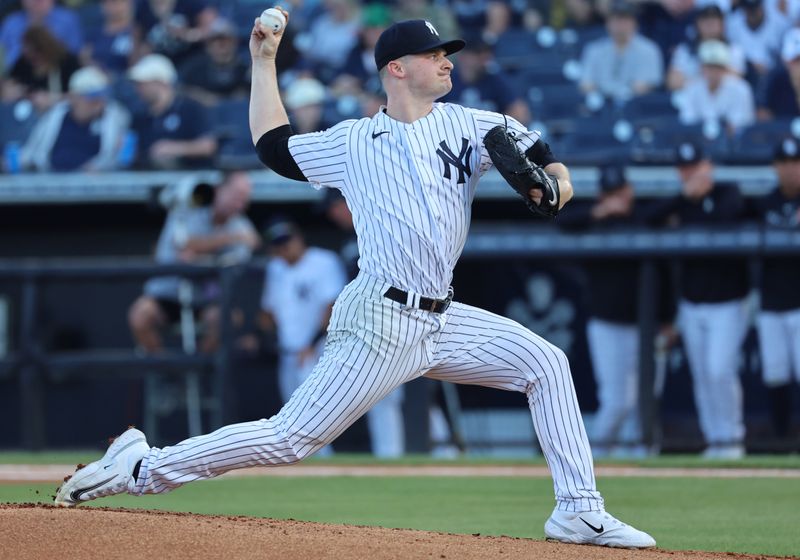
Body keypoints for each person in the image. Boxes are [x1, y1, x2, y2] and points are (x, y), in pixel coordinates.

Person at [55, 15, 656, 550]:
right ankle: (143, 467)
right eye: (434, 54)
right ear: (397, 68)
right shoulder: (353, 141)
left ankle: (579, 513)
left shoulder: (475, 125)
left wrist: (555, 186)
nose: (448, 60)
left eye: (449, 52)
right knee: (291, 438)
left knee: (546, 364)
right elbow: (273, 147)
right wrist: (263, 62)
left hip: (442, 318)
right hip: (380, 319)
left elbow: (548, 160)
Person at [645, 140, 750, 459]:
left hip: (729, 302)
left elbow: (733, 216)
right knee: (703, 374)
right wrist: (683, 197)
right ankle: (714, 439)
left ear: (708, 166)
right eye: (684, 169)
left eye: (695, 167)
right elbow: (647, 219)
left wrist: (700, 194)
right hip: (692, 304)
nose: (690, 175)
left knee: (720, 370)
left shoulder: (728, 193)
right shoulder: (682, 201)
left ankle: (732, 439)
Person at [557, 165, 670, 457]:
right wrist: (599, 212)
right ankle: (593, 463)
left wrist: (668, 320)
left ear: (629, 191)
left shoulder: (644, 218)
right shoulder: (593, 219)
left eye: (619, 193)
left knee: (646, 403)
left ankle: (645, 464)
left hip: (647, 326)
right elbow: (562, 219)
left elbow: (667, 269)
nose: (616, 199)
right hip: (607, 325)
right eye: (610, 194)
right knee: (617, 402)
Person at [128, 171, 259, 354]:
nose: (240, 204)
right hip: (167, 293)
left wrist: (199, 256)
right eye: (236, 196)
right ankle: (166, 372)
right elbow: (183, 244)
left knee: (228, 317)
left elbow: (234, 262)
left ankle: (198, 369)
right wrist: (230, 239)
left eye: (244, 199)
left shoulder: (242, 226)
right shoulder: (193, 205)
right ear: (220, 190)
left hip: (205, 299)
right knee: (140, 315)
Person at [320, 190, 408, 457]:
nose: (332, 215)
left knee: (387, 395)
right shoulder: (351, 237)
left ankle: (392, 459)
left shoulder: (380, 223)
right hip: (361, 321)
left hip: (394, 314)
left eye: (335, 207)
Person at [753, 137, 800, 444]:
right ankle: (782, 443)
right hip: (771, 302)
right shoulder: (764, 202)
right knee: (776, 374)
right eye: (783, 163)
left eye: (794, 162)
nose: (789, 169)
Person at [19, 66, 131, 171]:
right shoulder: (56, 115)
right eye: (92, 100)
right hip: (52, 181)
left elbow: (119, 157)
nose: (98, 105)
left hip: (95, 186)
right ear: (74, 98)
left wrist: (99, 167)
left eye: (100, 100)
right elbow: (32, 152)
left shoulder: (115, 117)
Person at [128, 53, 217, 169]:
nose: (138, 89)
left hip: (190, 178)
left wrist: (175, 148)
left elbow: (209, 146)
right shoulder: (140, 116)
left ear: (162, 82)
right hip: (149, 180)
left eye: (143, 84)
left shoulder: (190, 109)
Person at [579, 0, 663, 104]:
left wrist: (607, 90)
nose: (620, 25)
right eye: (616, 19)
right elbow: (586, 85)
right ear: (608, 23)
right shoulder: (594, 50)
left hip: (636, 109)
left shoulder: (649, 50)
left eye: (625, 19)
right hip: (601, 108)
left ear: (635, 23)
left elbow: (643, 87)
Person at [441, 38, 531, 124]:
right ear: (462, 57)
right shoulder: (446, 78)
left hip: (485, 136)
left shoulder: (495, 79)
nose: (484, 58)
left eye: (486, 53)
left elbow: (520, 114)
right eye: (477, 53)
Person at [675, 39, 755, 134]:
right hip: (698, 143)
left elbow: (742, 124)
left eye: (718, 67)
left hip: (734, 145)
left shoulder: (741, 89)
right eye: (709, 66)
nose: (713, 72)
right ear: (702, 68)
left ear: (725, 69)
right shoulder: (691, 87)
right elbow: (687, 121)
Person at [2, 25, 81, 113]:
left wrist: (53, 99)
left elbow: (80, 96)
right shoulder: (23, 63)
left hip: (60, 112)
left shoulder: (67, 62)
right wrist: (14, 92)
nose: (34, 59)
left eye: (37, 54)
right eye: (30, 56)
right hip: (27, 114)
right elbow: (11, 85)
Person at [667, 4, 746, 91]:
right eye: (705, 21)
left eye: (714, 20)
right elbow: (673, 83)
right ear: (697, 24)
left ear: (723, 25)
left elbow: (736, 79)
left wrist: (696, 78)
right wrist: (714, 75)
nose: (709, 25)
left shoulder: (733, 50)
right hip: (691, 101)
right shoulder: (685, 50)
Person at [0, 0, 83, 68]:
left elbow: (75, 54)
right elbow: (4, 59)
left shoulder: (68, 20)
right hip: (19, 78)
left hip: (58, 75)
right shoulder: (11, 23)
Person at [82, 0, 139, 76]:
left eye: (116, 2)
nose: (112, 7)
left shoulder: (136, 32)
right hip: (97, 77)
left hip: (128, 78)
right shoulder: (94, 33)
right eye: (108, 2)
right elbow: (85, 57)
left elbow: (137, 63)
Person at [756, 28, 800, 121]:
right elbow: (762, 112)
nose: (798, 66)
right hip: (782, 133)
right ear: (785, 61)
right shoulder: (775, 79)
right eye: (795, 61)